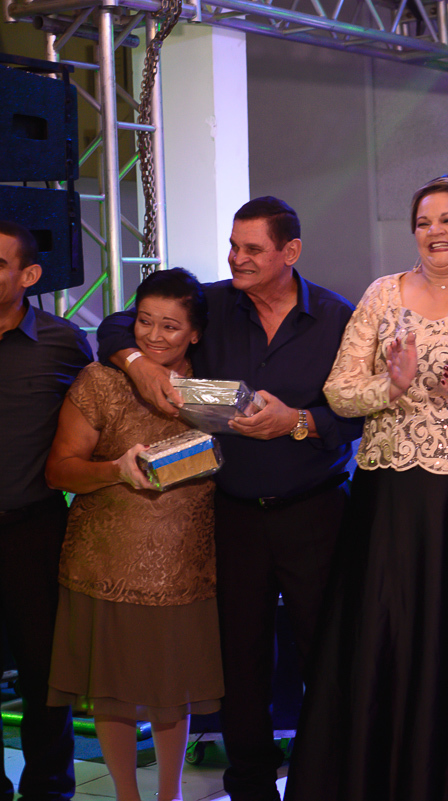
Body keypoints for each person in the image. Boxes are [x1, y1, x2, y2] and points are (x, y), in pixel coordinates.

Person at [284, 173, 448, 801]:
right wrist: (392, 386)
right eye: (425, 221)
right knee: (391, 637)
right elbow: (340, 391)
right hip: (393, 498)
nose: (435, 231)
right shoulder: (383, 295)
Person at [96, 197, 362, 801]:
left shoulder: (337, 319)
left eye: (252, 250)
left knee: (324, 652)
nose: (236, 259)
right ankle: (249, 785)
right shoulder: (212, 304)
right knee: (239, 662)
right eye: (233, 246)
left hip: (315, 509)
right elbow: (118, 324)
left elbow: (361, 415)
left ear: (289, 253)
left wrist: (297, 422)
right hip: (233, 513)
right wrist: (138, 363)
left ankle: (325, 781)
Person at [43, 269, 222, 801]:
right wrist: (114, 471)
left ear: (193, 334)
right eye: (144, 321)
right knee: (113, 694)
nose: (152, 335)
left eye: (170, 327)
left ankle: (169, 797)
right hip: (105, 562)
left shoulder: (212, 390)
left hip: (184, 565)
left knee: (174, 694)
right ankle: (126, 795)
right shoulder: (101, 381)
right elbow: (59, 471)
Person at [0, 220, 87, 801]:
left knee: (44, 674)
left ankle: (48, 790)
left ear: (29, 276)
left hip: (32, 528)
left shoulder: (63, 342)